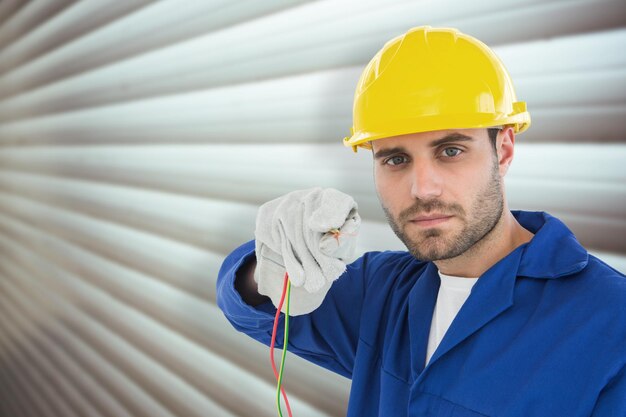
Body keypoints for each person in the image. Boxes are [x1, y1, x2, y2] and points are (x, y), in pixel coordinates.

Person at [216, 26, 626, 416]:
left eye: (450, 151)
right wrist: (274, 258)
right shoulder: (382, 292)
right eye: (396, 159)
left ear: (503, 150)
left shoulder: (610, 323)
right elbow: (246, 306)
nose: (423, 189)